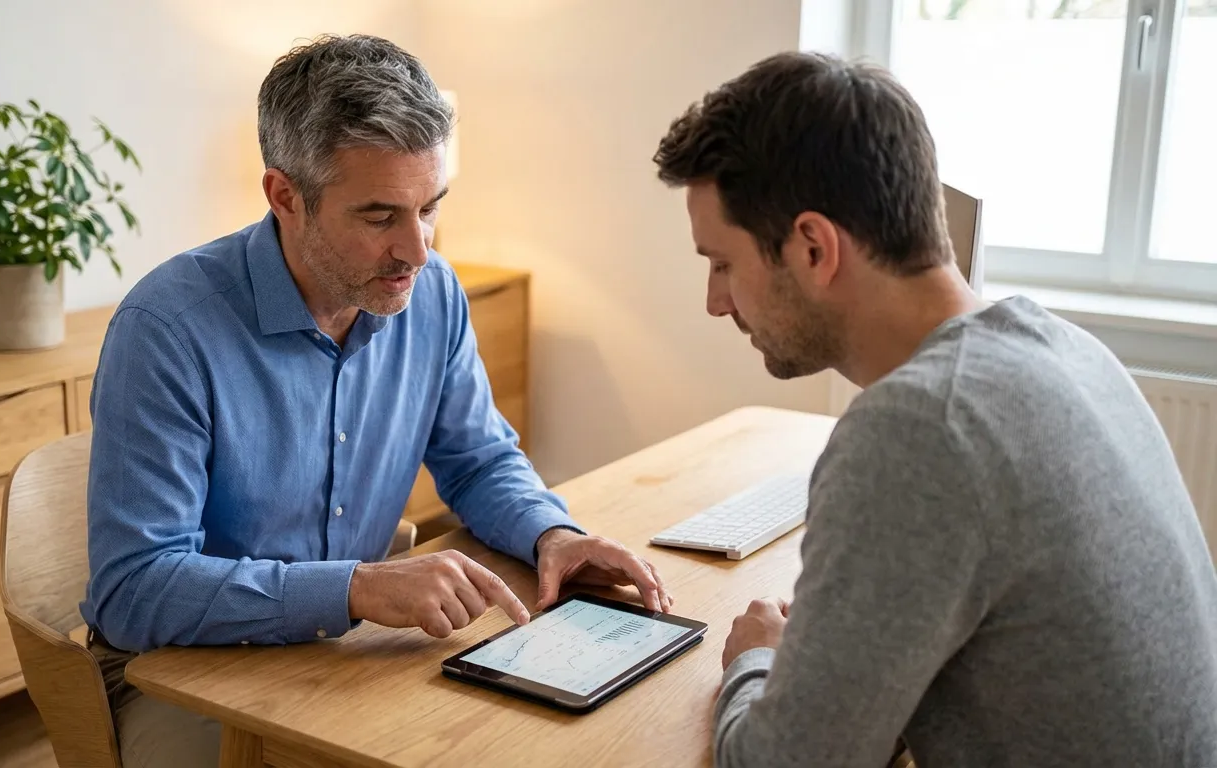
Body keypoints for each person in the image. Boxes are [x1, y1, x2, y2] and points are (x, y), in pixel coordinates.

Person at [81, 34, 671, 768]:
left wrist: (552, 535)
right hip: (180, 672)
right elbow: (134, 591)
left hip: (346, 651)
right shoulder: (168, 330)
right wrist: (355, 589)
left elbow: (480, 460)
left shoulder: (434, 295)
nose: (418, 250)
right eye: (380, 216)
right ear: (284, 196)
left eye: (430, 208)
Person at [652, 51, 1217, 768]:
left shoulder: (919, 430)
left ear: (814, 247)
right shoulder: (1066, 350)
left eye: (722, 262)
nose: (715, 301)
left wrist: (757, 662)